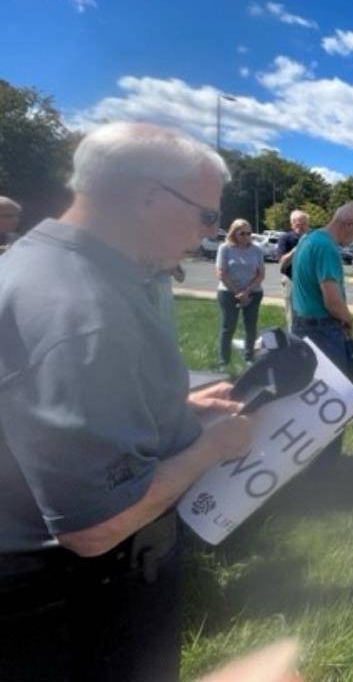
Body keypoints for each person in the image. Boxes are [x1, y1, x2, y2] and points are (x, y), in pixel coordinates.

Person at [0, 122, 253, 681]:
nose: (205, 235)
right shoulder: (84, 310)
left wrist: (177, 414)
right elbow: (94, 526)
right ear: (148, 199)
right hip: (79, 605)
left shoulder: (42, 267)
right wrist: (211, 448)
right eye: (206, 216)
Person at [291, 201, 353, 463]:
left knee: (310, 401)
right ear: (349, 224)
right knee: (334, 402)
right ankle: (327, 466)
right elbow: (333, 302)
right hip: (324, 331)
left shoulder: (309, 239)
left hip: (302, 326)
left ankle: (309, 459)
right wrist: (349, 319)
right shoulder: (327, 248)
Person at [216, 218, 265, 366]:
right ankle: (224, 361)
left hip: (253, 293)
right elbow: (221, 273)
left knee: (251, 327)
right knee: (228, 326)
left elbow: (261, 274)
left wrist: (247, 291)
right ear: (233, 233)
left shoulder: (257, 249)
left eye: (248, 233)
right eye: (242, 233)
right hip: (228, 292)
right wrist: (238, 292)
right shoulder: (225, 248)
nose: (246, 236)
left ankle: (249, 357)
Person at [277, 209, 310, 329]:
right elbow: (282, 262)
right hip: (291, 281)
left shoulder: (313, 239)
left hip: (309, 282)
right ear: (291, 224)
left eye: (303, 222)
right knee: (292, 316)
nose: (300, 225)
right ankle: (294, 343)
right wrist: (296, 250)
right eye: (297, 222)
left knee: (308, 316)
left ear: (308, 224)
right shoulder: (286, 238)